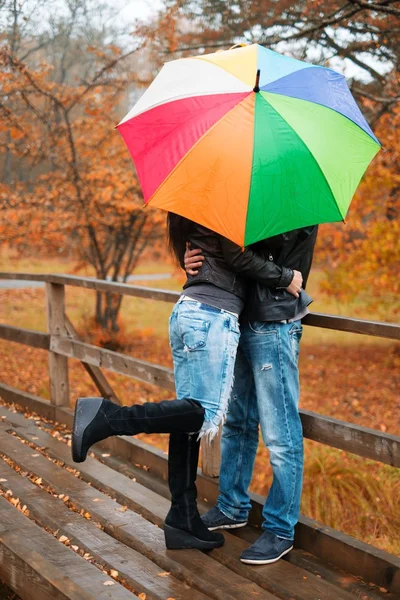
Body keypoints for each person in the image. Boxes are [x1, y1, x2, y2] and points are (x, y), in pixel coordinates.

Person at [71, 214, 303, 552]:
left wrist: (193, 257)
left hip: (190, 312)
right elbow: (236, 255)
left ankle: (182, 518)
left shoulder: (196, 201)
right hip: (211, 315)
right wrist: (287, 277)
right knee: (201, 413)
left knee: (186, 418)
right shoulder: (226, 197)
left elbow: (218, 251)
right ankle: (107, 417)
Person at [184, 226, 318, 564]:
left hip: (273, 321)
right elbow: (232, 254)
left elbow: (247, 253)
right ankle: (232, 505)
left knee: (281, 434)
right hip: (240, 317)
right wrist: (193, 261)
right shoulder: (247, 194)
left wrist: (276, 273)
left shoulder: (291, 199)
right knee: (238, 422)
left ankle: (279, 528)